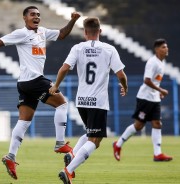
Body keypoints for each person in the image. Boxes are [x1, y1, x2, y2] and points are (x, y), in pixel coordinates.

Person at [0, 6, 80, 180]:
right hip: (34, 80)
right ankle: (60, 143)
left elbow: (61, 34)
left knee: (24, 121)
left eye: (38, 14)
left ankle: (10, 156)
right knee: (62, 103)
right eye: (32, 14)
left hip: (24, 83)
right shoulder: (21, 33)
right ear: (25, 18)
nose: (36, 17)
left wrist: (73, 20)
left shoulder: (43, 32)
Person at [49, 17, 128, 184]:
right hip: (98, 101)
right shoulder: (109, 49)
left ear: (85, 32)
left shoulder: (77, 48)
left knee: (92, 134)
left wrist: (56, 86)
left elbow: (64, 68)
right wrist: (124, 86)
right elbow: (121, 74)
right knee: (95, 140)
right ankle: (68, 171)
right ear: (100, 31)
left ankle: (72, 155)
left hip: (81, 100)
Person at [112, 38, 173, 162]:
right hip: (145, 98)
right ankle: (118, 144)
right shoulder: (152, 62)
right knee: (139, 125)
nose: (166, 49)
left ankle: (158, 154)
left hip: (154, 98)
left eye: (166, 47)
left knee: (157, 123)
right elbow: (147, 80)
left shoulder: (162, 63)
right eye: (163, 47)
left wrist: (158, 92)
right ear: (156, 49)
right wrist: (161, 90)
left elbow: (155, 80)